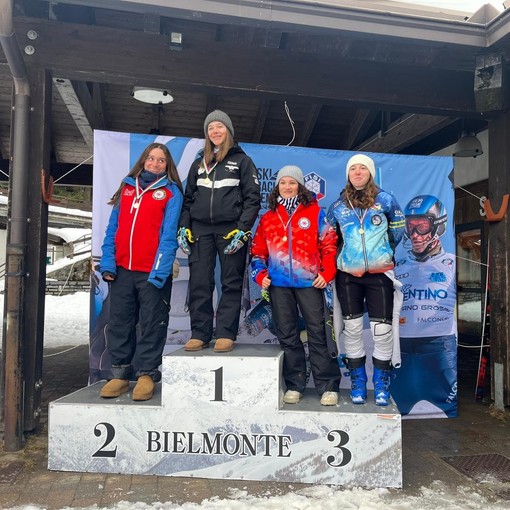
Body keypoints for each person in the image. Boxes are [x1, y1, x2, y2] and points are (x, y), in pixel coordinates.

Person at [251, 165, 341, 406]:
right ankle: (295, 384)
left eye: (292, 183)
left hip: (309, 281)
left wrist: (327, 272)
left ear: (300, 186)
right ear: (277, 187)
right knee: (288, 334)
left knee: (318, 332)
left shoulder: (315, 213)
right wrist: (260, 275)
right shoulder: (269, 217)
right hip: (279, 284)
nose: (287, 187)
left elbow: (329, 245)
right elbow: (258, 252)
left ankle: (328, 385)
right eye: (283, 183)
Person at [99, 143, 183, 401]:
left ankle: (147, 373)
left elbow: (169, 237)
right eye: (151, 158)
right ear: (144, 161)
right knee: (120, 322)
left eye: (161, 160)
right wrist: (108, 263)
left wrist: (160, 270)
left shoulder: (171, 193)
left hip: (152, 273)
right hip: (123, 270)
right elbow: (113, 229)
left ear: (167, 165)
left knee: (151, 323)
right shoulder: (126, 189)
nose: (155, 163)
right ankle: (120, 375)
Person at [178, 110, 261, 353]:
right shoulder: (198, 164)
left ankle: (226, 333)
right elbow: (187, 200)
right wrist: (184, 227)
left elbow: (252, 199)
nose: (215, 131)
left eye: (220, 127)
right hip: (200, 230)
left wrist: (242, 229)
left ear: (229, 131)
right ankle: (200, 333)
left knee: (230, 283)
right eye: (211, 128)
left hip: (230, 230)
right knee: (200, 283)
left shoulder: (242, 161)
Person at [326, 154, 405, 406]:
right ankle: (358, 382)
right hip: (348, 276)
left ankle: (381, 382)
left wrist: (383, 253)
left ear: (370, 173)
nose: (357, 173)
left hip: (379, 275)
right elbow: (329, 239)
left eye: (362, 169)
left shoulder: (386, 200)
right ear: (348, 175)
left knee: (382, 331)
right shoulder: (338, 206)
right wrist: (346, 258)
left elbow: (398, 230)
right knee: (351, 330)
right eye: (353, 169)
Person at [392, 195, 457, 417]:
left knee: (447, 413)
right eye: (411, 227)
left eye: (422, 226)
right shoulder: (397, 266)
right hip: (402, 347)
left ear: (438, 227)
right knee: (397, 411)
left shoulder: (453, 263)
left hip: (438, 345)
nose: (415, 235)